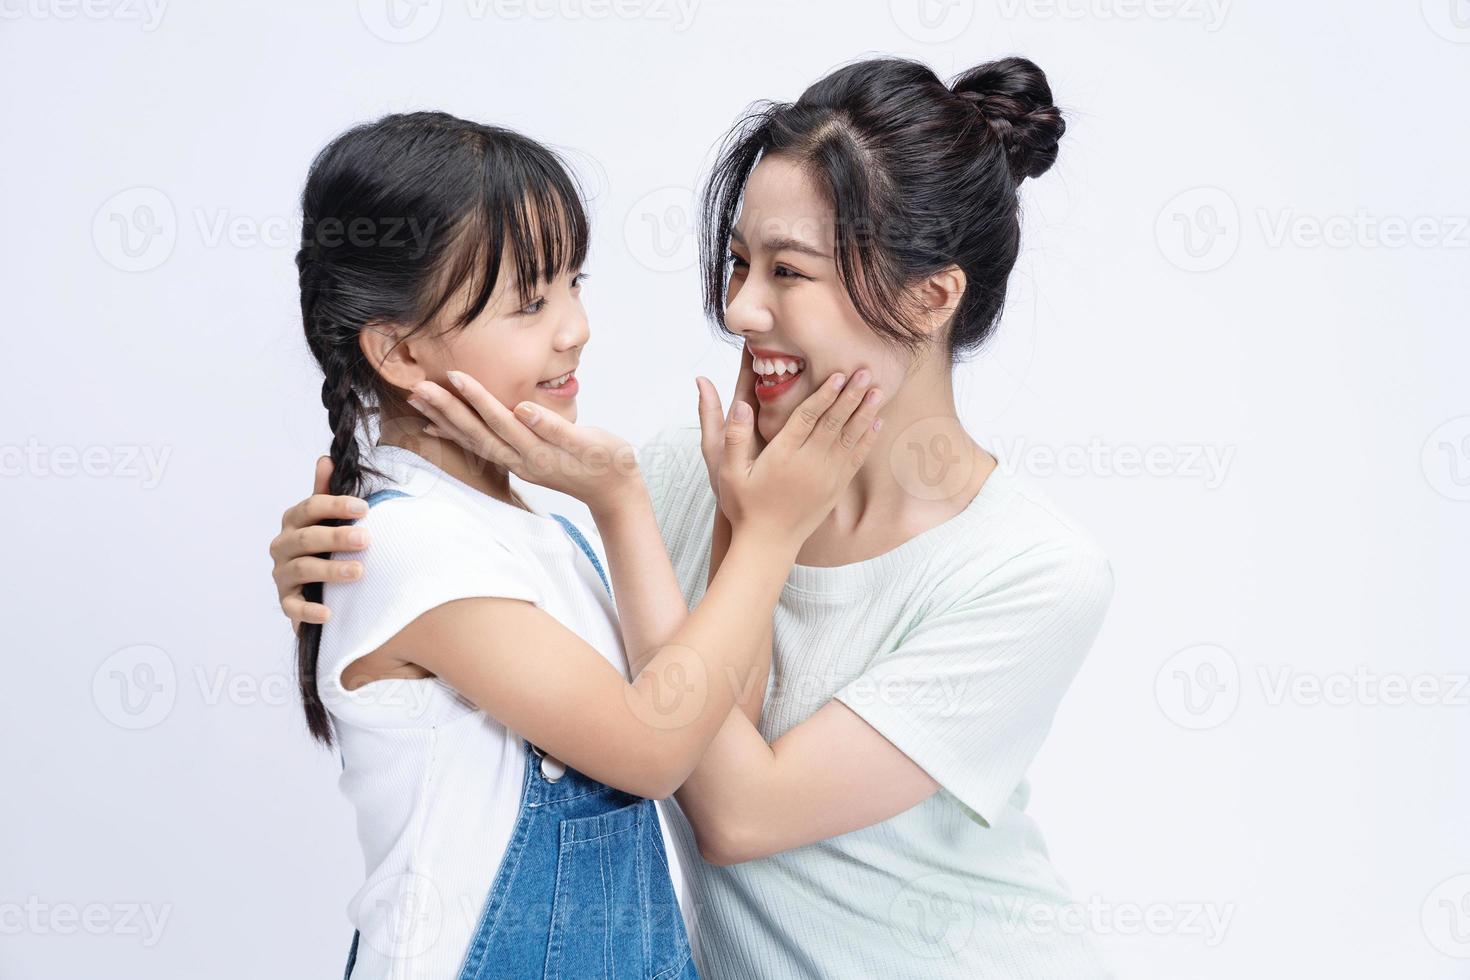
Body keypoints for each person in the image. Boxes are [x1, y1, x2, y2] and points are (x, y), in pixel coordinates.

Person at [274, 56, 1117, 978]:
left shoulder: (1031, 571)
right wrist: (334, 561)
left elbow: (736, 810)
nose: (738, 307)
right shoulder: (694, 469)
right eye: (739, 261)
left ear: (932, 295)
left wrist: (754, 529)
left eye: (789, 271)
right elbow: (490, 599)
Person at [287, 110, 883, 979]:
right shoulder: (409, 548)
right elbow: (650, 753)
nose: (575, 326)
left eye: (573, 282)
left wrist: (632, 506)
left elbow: (716, 716)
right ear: (400, 352)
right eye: (530, 302)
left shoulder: (539, 526)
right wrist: (775, 530)